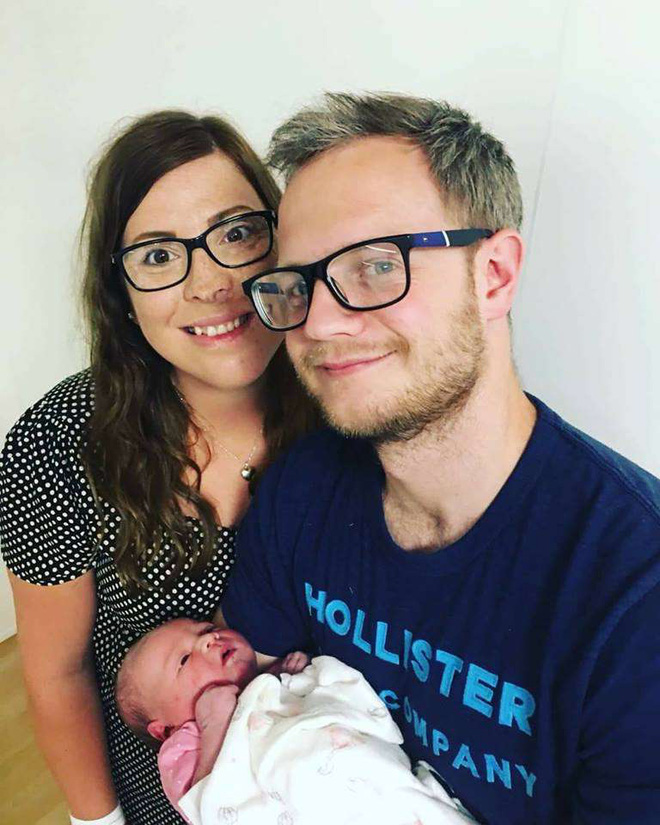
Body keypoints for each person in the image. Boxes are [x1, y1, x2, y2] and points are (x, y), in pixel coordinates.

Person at [222, 92, 660, 824]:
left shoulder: (634, 597)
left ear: (494, 275)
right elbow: (247, 731)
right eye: (295, 285)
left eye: (374, 265)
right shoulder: (302, 489)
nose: (318, 323)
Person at [0, 110, 317, 825]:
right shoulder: (56, 444)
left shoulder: (351, 405)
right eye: (157, 255)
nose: (212, 283)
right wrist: (99, 822)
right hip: (165, 801)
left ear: (283, 240)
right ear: (121, 291)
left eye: (237, 233)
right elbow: (57, 674)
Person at [115, 618, 474, 825]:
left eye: (205, 627)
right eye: (183, 660)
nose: (208, 639)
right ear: (165, 729)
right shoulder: (185, 746)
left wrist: (287, 679)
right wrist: (214, 726)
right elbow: (209, 808)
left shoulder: (267, 684)